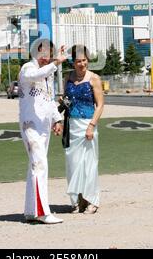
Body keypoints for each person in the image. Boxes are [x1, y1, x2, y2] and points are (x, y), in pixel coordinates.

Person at [19, 39, 66, 224]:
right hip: (30, 124)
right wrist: (56, 63)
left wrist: (57, 118)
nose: (46, 55)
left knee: (36, 165)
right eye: (43, 51)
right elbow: (35, 76)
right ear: (35, 51)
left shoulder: (47, 74)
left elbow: (48, 98)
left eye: (49, 52)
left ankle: (32, 210)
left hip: (43, 125)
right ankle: (42, 211)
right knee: (40, 165)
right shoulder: (28, 68)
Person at [63, 45, 104, 214]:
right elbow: (65, 100)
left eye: (84, 60)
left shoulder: (94, 79)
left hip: (87, 124)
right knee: (73, 165)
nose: (82, 64)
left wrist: (91, 126)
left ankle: (92, 200)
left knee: (89, 164)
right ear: (73, 62)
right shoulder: (68, 78)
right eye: (78, 61)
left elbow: (100, 105)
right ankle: (77, 200)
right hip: (71, 125)